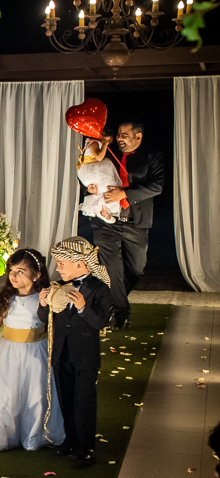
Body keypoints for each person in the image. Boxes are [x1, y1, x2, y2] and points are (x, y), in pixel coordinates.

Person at [0, 250, 64, 451]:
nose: (13, 275)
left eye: (20, 271)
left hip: (35, 352)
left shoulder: (43, 298)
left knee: (34, 396)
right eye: (11, 270)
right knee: (1, 395)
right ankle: (0, 435)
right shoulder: (7, 298)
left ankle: (33, 436)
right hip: (7, 353)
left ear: (36, 275)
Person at [39, 237, 112, 466]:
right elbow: (47, 320)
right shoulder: (58, 287)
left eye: (62, 264)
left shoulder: (99, 288)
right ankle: (70, 440)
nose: (58, 268)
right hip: (61, 353)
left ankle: (86, 447)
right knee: (66, 398)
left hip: (85, 356)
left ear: (79, 264)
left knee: (84, 401)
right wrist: (43, 306)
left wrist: (82, 307)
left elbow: (100, 322)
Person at [87, 121, 164, 329]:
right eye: (119, 134)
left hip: (135, 222)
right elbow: (89, 171)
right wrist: (89, 188)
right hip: (105, 221)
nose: (119, 138)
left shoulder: (152, 155)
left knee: (136, 269)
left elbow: (157, 186)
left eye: (125, 135)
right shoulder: (107, 152)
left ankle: (111, 302)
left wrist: (124, 193)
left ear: (138, 136)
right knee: (111, 268)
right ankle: (121, 313)